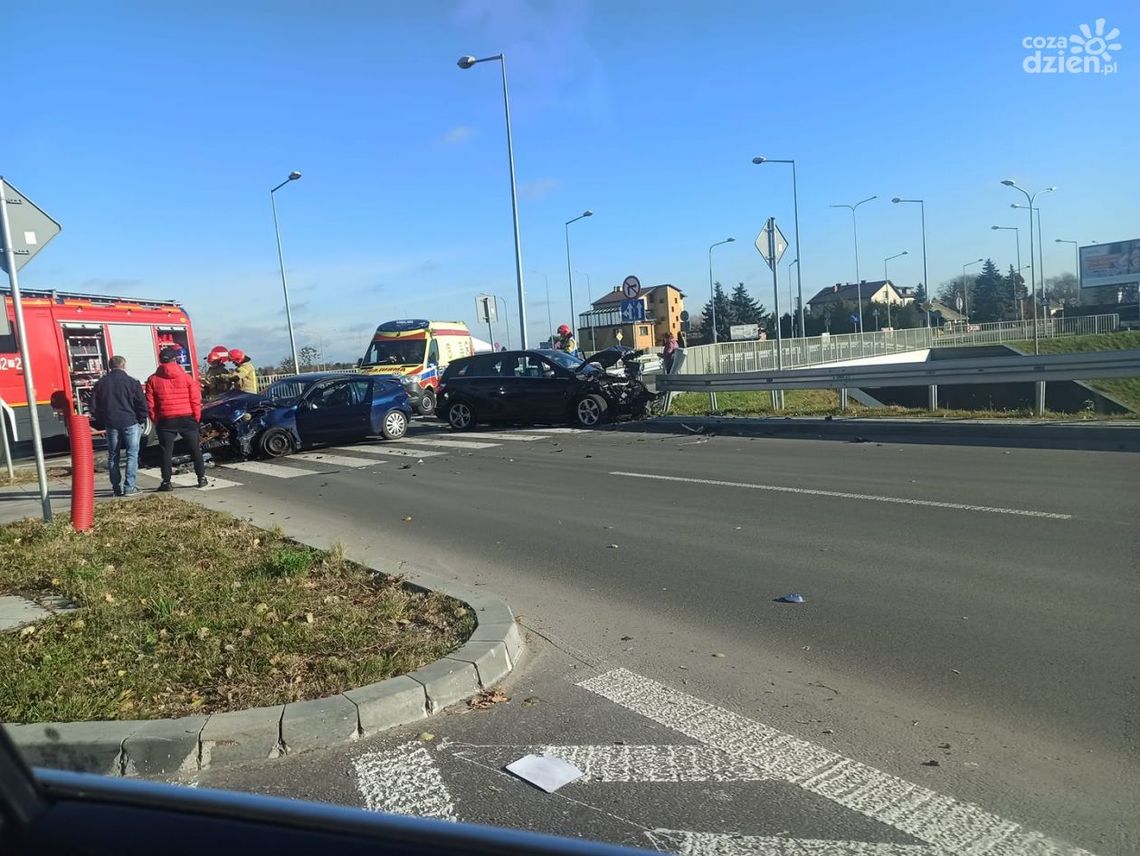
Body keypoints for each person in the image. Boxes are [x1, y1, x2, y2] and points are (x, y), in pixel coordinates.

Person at [145, 347, 206, 491]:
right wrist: (196, 417)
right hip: (187, 417)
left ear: (160, 361)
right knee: (195, 450)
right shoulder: (186, 377)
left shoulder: (152, 379)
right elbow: (195, 399)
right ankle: (201, 478)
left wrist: (156, 419)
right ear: (175, 359)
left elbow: (150, 404)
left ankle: (167, 482)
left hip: (166, 420)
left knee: (166, 452)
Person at [89, 355, 149, 496]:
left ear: (110, 366)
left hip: (111, 423)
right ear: (123, 365)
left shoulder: (100, 384)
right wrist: (140, 419)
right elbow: (142, 404)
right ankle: (130, 486)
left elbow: (93, 406)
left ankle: (116, 487)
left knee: (113, 455)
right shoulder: (132, 382)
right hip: (130, 421)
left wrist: (102, 420)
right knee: (132, 454)